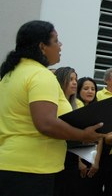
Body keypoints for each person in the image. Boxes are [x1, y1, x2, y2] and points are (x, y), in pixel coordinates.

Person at [0, 20, 103, 196]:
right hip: (31, 169)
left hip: (11, 163)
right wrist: (83, 135)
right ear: (42, 46)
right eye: (56, 41)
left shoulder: (10, 74)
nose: (60, 45)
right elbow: (46, 123)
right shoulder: (40, 75)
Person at [53, 67, 81, 196]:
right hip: (54, 153)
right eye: (70, 79)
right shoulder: (53, 103)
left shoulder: (76, 104)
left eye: (76, 79)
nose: (75, 82)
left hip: (71, 155)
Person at [76, 77, 104, 196]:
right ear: (78, 91)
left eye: (93, 89)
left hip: (93, 158)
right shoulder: (74, 108)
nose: (90, 91)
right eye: (86, 88)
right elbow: (72, 137)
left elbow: (100, 137)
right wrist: (79, 162)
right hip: (75, 159)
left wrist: (96, 162)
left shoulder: (98, 111)